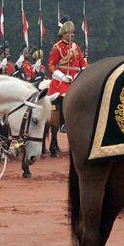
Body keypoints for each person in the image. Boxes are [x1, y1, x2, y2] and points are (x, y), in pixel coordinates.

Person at [46, 17, 87, 158]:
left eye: (74, 33)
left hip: (75, 79)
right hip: (61, 81)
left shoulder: (76, 47)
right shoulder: (57, 47)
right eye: (70, 33)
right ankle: (64, 123)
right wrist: (63, 77)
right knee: (66, 96)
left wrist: (83, 74)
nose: (72, 35)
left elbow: (82, 65)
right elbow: (51, 65)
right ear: (63, 34)